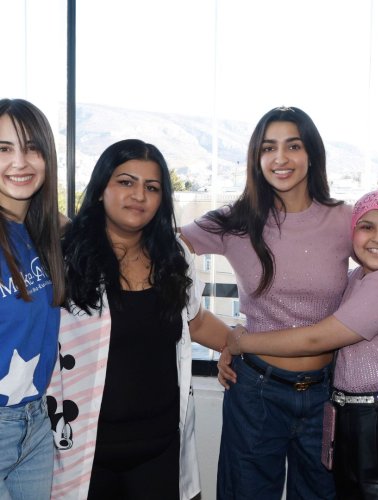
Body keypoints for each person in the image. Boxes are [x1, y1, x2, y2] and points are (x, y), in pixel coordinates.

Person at [181, 106, 352, 499]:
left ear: (312, 154)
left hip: (327, 393)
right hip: (255, 391)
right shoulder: (235, 221)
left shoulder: (345, 219)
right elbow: (160, 244)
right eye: (268, 148)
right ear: (256, 159)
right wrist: (225, 338)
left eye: (293, 146)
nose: (280, 158)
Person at [226, 189, 378, 500]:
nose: (377, 238)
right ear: (352, 233)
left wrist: (241, 343)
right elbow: (303, 321)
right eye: (366, 226)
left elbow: (316, 338)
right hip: (364, 420)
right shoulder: (357, 278)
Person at [47, 139, 231, 500]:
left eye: (152, 187)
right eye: (125, 182)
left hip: (159, 448)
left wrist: (240, 345)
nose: (139, 196)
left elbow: (195, 322)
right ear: (101, 188)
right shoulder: (64, 256)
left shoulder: (174, 255)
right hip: (85, 451)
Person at [0, 99, 65, 499]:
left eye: (32, 148)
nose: (19, 162)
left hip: (36, 421)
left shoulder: (42, 233)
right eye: (3, 148)